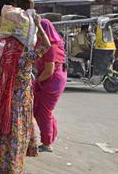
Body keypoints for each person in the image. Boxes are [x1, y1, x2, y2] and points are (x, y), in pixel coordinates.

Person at [0, 12, 51, 174]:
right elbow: (46, 45)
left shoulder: (6, 56)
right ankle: (13, 168)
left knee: (5, 134)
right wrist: (38, 26)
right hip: (21, 104)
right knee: (17, 135)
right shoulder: (25, 57)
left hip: (5, 102)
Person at [33, 19, 67, 152]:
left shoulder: (51, 47)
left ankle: (47, 143)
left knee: (44, 112)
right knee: (43, 111)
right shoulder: (41, 44)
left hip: (52, 81)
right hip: (48, 79)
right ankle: (50, 137)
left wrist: (37, 81)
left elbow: (49, 71)